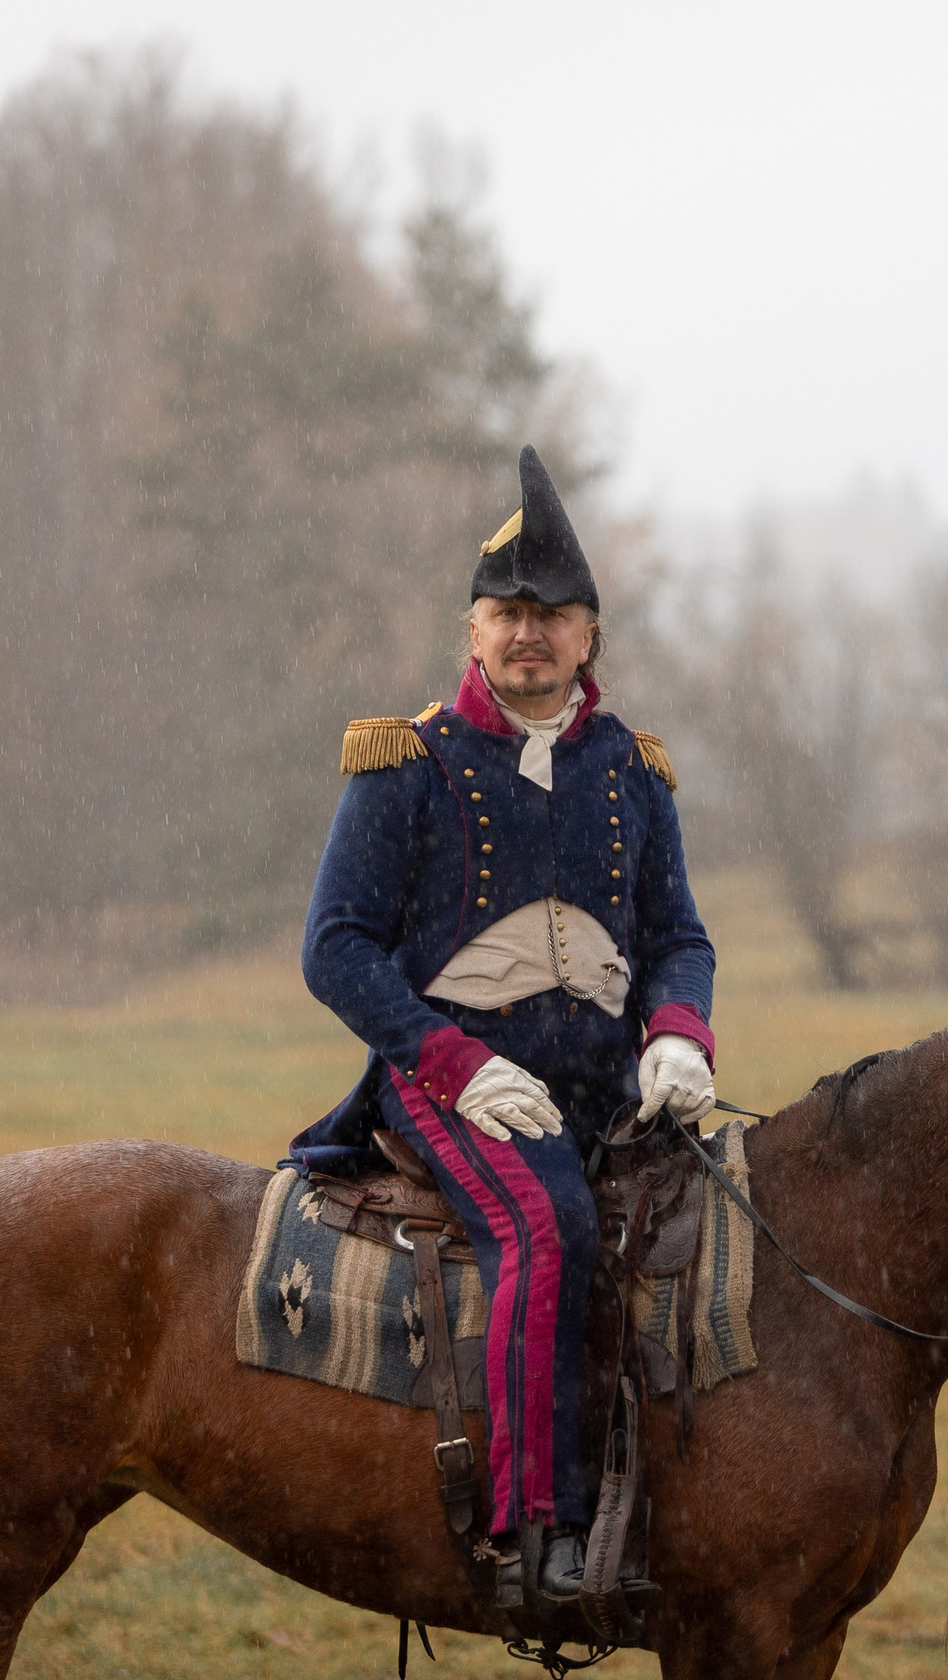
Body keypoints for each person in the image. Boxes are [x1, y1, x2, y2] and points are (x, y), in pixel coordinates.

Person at [292, 445, 718, 1604]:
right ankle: (539, 1530)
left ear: (589, 636)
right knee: (550, 1226)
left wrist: (678, 1032)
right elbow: (334, 949)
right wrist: (457, 1064)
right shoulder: (406, 764)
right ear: (473, 633)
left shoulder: (634, 771)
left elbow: (678, 934)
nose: (529, 632)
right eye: (506, 612)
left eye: (553, 614)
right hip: (447, 1084)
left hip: (608, 1088)